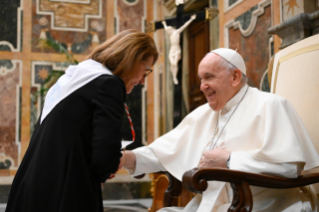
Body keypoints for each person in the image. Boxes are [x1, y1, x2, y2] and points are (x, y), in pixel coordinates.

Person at [122, 48, 319, 212]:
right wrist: (126, 158)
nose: (202, 86)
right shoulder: (204, 113)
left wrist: (229, 160)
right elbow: (166, 150)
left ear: (235, 77)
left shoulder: (272, 105)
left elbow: (289, 168)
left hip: (265, 205)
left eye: (208, 77)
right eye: (200, 79)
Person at [5, 29, 158, 212]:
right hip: (66, 191)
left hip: (32, 184)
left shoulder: (74, 77)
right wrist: (110, 165)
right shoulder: (108, 84)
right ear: (132, 58)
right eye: (146, 71)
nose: (142, 81)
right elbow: (105, 155)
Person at [162, 14, 196, 84]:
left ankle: (175, 77)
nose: (168, 31)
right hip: (172, 49)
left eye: (169, 30)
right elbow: (165, 28)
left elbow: (184, 26)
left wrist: (191, 19)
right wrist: (164, 24)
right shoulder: (170, 34)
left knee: (175, 63)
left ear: (171, 29)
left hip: (177, 49)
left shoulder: (177, 32)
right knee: (172, 64)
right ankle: (174, 77)